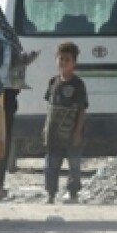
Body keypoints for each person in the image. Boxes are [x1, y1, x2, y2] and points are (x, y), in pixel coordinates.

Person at [43, 42, 88, 204]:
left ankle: (73, 193)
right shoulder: (52, 82)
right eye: (60, 59)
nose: (63, 63)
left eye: (67, 59)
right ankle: (50, 193)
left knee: (74, 164)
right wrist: (46, 129)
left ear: (74, 63)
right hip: (54, 133)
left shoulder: (78, 85)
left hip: (71, 131)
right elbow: (49, 107)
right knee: (51, 164)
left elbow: (82, 110)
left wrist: (77, 132)